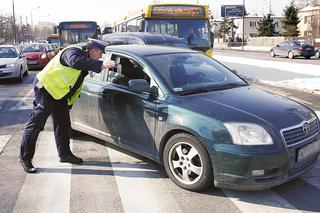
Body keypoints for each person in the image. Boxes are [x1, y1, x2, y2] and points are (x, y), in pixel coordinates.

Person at [19, 38, 115, 173]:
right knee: (36, 124)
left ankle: (64, 154)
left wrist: (69, 103)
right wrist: (101, 65)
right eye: (101, 53)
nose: (101, 56)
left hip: (59, 94)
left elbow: (75, 84)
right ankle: (25, 158)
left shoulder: (84, 60)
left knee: (63, 124)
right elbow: (75, 62)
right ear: (94, 50)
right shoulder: (73, 52)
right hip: (45, 89)